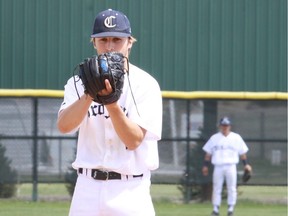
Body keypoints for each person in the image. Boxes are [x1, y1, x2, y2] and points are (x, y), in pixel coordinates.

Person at [57, 9, 162, 216]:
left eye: (117, 39)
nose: (110, 46)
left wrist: (111, 103)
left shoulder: (146, 84)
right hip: (87, 187)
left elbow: (133, 141)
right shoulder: (78, 82)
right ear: (93, 43)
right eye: (103, 39)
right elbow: (64, 126)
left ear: (129, 42)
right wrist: (89, 93)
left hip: (130, 189)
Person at [202, 117, 252, 216]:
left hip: (231, 166)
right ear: (220, 126)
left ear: (230, 126)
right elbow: (208, 154)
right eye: (223, 125)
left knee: (232, 188)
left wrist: (246, 164)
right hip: (218, 166)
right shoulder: (214, 138)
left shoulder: (236, 138)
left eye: (227, 125)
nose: (225, 127)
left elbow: (242, 153)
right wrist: (205, 166)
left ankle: (230, 209)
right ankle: (215, 209)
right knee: (217, 187)